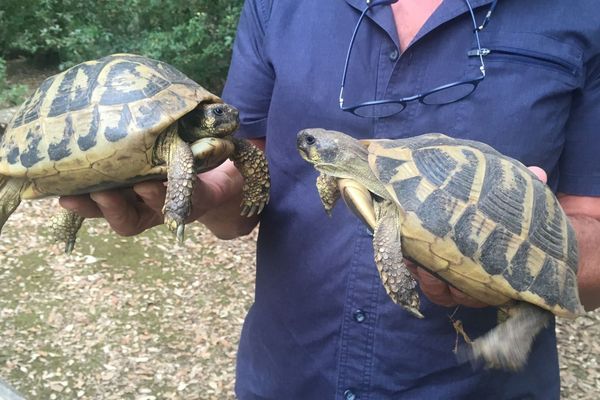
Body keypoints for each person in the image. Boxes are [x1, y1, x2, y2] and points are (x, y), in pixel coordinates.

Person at [60, 0, 600, 398]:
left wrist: (499, 251)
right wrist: (197, 194)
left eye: (316, 148)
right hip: (289, 371)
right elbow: (246, 166)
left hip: (469, 387)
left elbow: (591, 233)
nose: (308, 148)